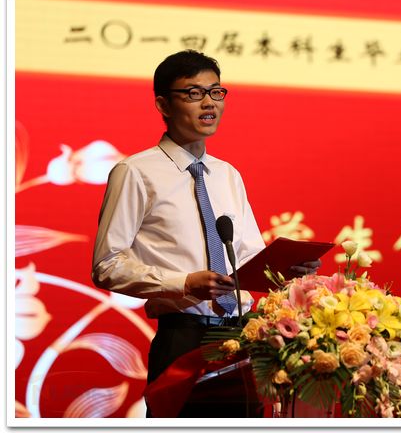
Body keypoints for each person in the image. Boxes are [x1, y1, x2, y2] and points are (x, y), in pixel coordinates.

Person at [92, 50, 318, 417]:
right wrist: (184, 283)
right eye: (194, 93)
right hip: (183, 338)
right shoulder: (135, 172)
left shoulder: (228, 174)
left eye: (215, 92)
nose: (209, 103)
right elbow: (107, 265)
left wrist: (285, 270)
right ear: (163, 105)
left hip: (242, 338)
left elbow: (247, 258)